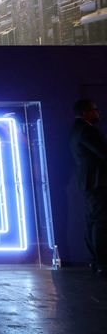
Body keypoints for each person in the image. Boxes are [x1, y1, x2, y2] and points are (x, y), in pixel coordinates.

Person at [69, 98, 107, 275]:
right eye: (95, 110)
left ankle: (95, 260)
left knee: (93, 221)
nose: (98, 112)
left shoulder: (76, 129)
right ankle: (101, 262)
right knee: (99, 221)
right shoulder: (87, 130)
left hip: (89, 182)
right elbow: (103, 153)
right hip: (97, 181)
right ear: (85, 113)